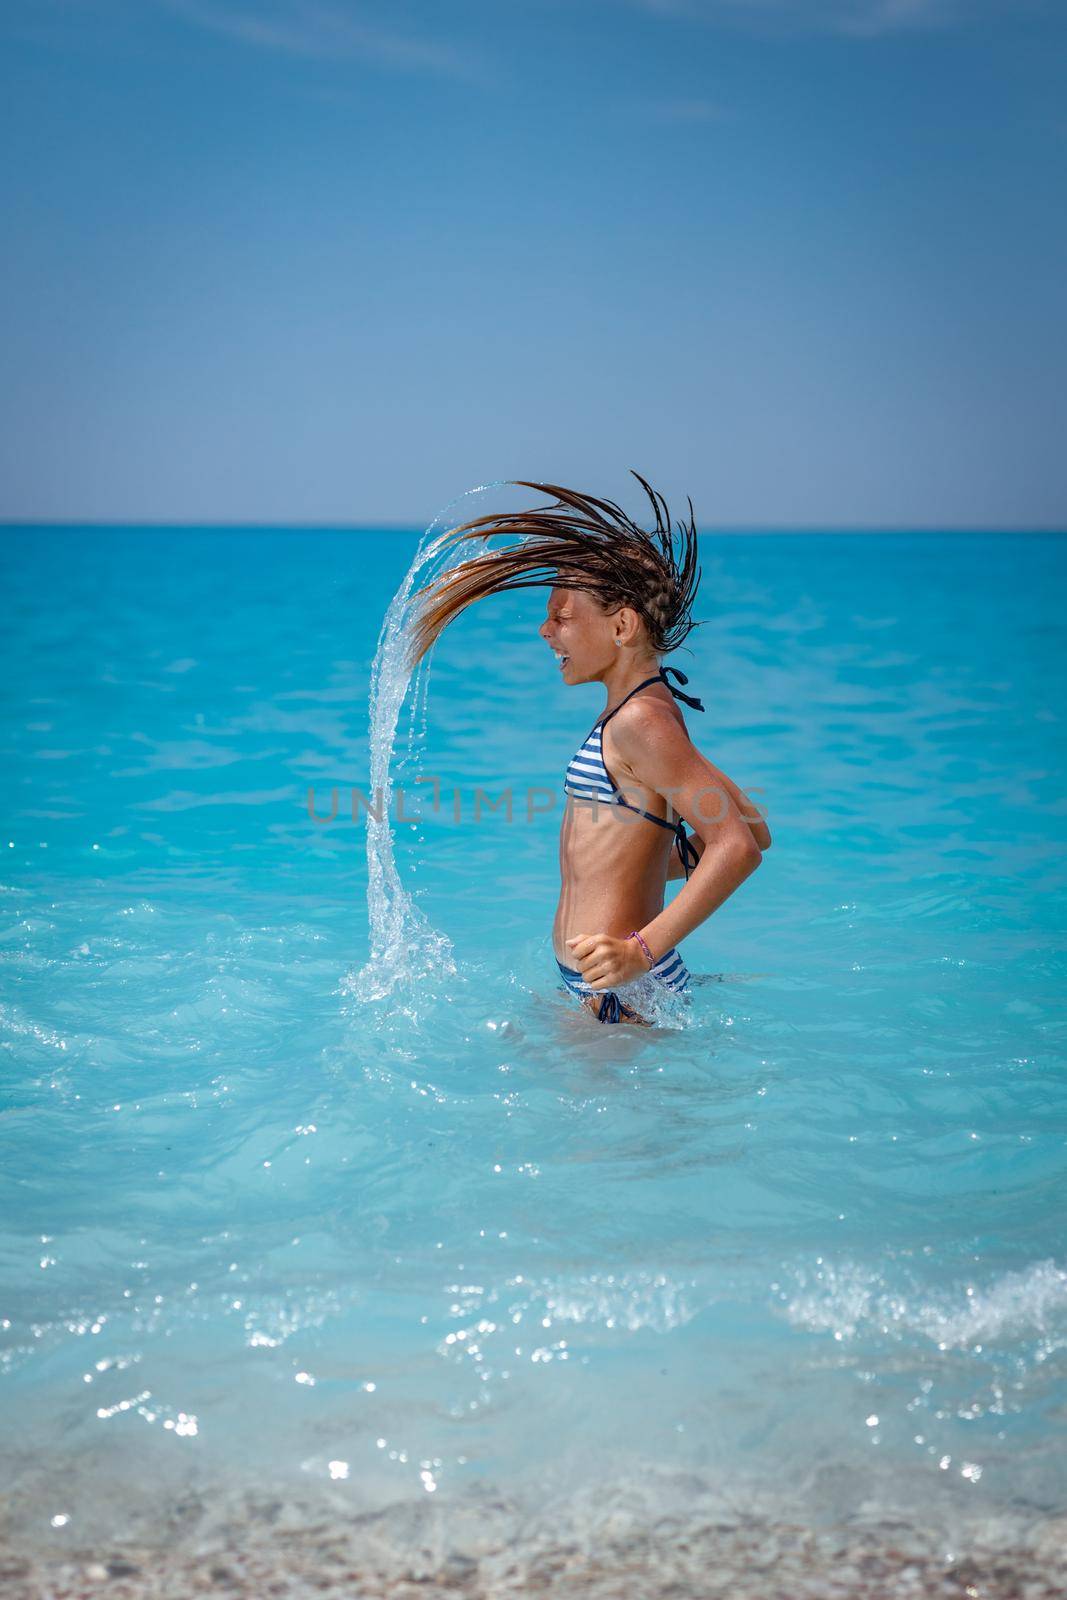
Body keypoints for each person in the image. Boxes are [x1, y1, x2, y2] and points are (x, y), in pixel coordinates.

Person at [410, 472, 771, 1025]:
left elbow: (739, 846)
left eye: (561, 617)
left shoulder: (643, 720)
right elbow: (752, 825)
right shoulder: (647, 712)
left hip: (624, 988)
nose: (544, 631)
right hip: (604, 983)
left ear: (622, 625)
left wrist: (639, 951)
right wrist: (642, 875)